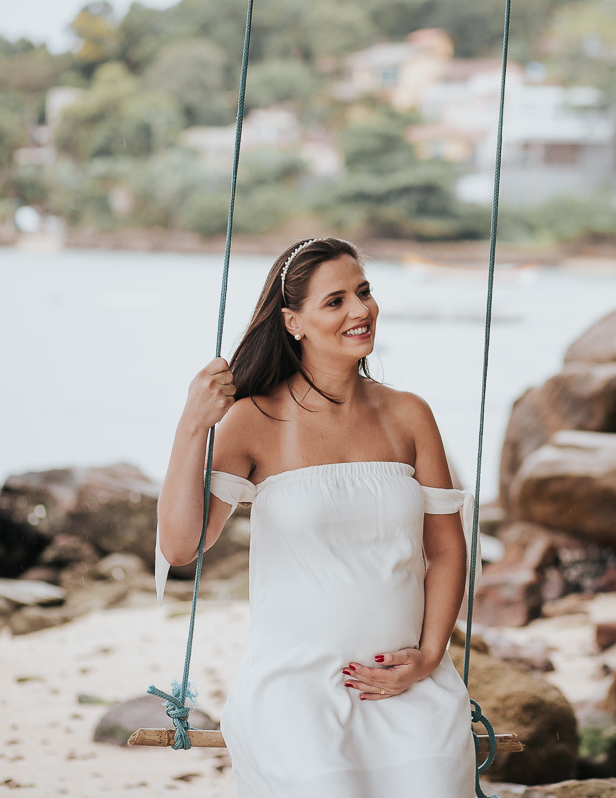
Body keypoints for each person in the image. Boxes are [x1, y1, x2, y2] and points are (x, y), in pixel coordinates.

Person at [154, 237, 477, 796]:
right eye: (336, 301)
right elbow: (181, 547)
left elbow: (446, 549)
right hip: (295, 693)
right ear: (293, 321)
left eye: (364, 291)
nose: (361, 310)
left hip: (407, 687)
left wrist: (428, 657)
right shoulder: (253, 419)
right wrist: (192, 427)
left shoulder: (409, 414)